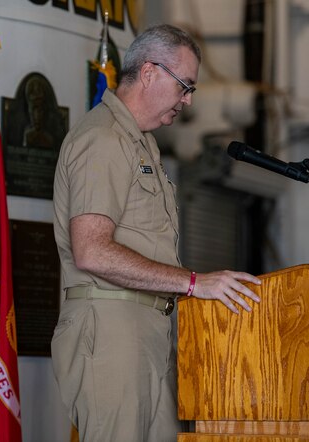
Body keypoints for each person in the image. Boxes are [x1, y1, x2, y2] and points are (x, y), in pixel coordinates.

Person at [51, 24, 262, 442]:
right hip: (112, 331)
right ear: (148, 73)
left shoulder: (140, 142)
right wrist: (195, 284)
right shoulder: (104, 139)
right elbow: (92, 251)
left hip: (145, 329)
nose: (187, 100)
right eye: (185, 86)